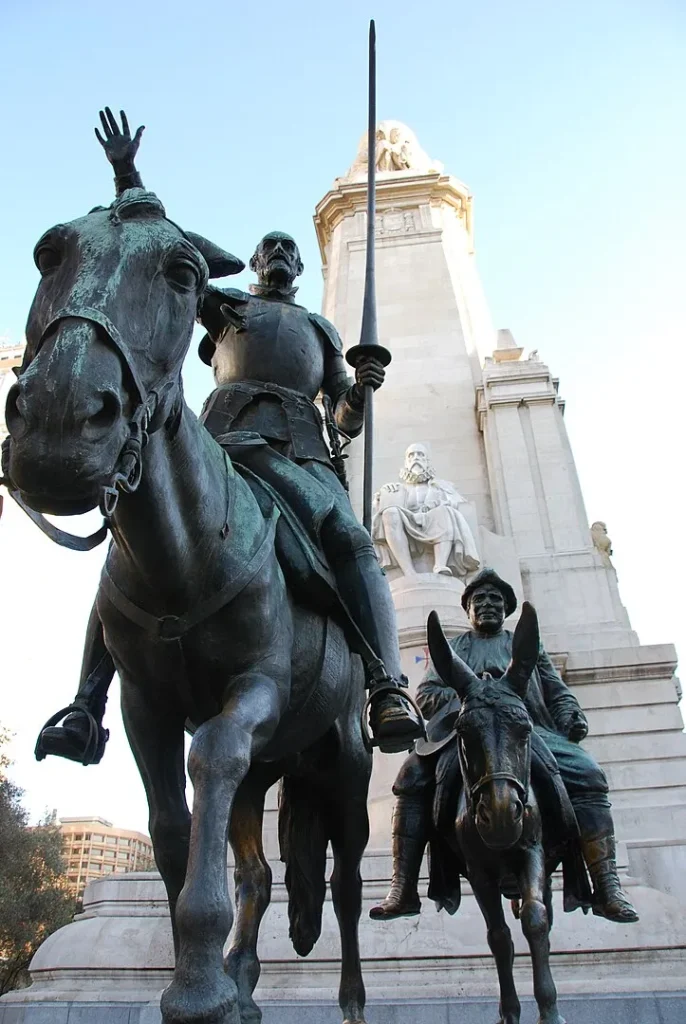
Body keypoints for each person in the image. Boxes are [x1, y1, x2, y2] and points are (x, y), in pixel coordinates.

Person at [36, 108, 422, 764]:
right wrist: (129, 175)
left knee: (353, 542)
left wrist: (361, 387)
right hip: (219, 443)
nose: (278, 257)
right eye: (270, 249)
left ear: (301, 268)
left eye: (289, 252)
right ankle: (86, 703)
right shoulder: (224, 306)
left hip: (299, 451)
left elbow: (343, 418)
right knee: (133, 542)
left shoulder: (321, 330)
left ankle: (385, 682)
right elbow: (154, 251)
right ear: (255, 261)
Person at [369, 567, 638, 924]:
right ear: (467, 609)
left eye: (495, 599)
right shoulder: (456, 648)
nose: (487, 605)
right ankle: (402, 889)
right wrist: (472, 692)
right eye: (479, 600)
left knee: (589, 774)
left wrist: (570, 712)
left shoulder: (525, 646)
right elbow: (427, 695)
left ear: (507, 608)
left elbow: (554, 688)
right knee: (410, 779)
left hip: (524, 732)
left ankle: (606, 886)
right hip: (469, 733)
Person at [372, 442, 480, 578]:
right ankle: (409, 572)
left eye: (420, 454)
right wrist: (380, 499)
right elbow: (375, 511)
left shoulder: (441, 486)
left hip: (432, 520)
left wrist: (440, 503)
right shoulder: (397, 488)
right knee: (389, 513)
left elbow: (458, 502)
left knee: (445, 512)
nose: (415, 458)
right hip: (407, 521)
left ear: (427, 461)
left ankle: (440, 564)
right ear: (406, 462)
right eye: (411, 455)